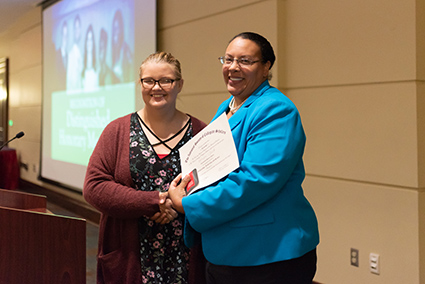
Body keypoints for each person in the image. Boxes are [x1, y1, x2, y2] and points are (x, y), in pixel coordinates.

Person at [168, 32, 320, 284]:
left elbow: (255, 180)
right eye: (227, 60)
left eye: (245, 61)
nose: (233, 67)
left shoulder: (276, 109)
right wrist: (188, 182)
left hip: (266, 253)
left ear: (266, 67)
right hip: (228, 248)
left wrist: (187, 205)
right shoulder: (227, 106)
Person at [83, 52, 207, 284]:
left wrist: (179, 206)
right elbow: (94, 187)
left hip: (183, 254)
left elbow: (214, 188)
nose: (156, 87)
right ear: (140, 84)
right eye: (148, 80)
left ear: (179, 84)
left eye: (166, 80)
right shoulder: (117, 131)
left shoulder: (200, 132)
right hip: (128, 253)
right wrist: (155, 202)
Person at [81, 25, 99, 91]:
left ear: (93, 42)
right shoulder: (81, 64)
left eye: (91, 39)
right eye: (87, 40)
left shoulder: (97, 65)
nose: (89, 43)